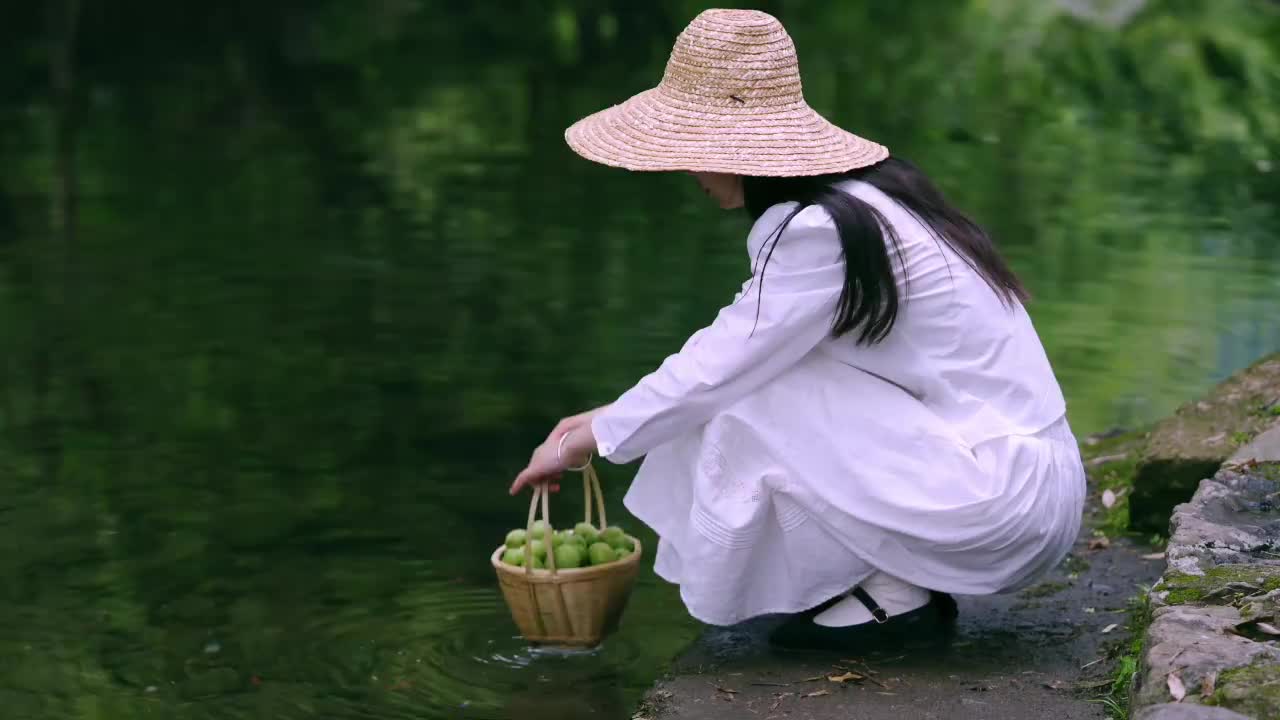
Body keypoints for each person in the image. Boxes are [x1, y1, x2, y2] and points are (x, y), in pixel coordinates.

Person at [509, 9, 1085, 650]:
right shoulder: (864, 199)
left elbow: (722, 365)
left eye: (691, 150)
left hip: (1002, 503)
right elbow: (734, 345)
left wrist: (590, 437)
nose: (686, 171)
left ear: (737, 149)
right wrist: (609, 417)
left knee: (745, 397)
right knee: (743, 385)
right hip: (1011, 479)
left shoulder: (820, 231)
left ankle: (893, 600)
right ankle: (887, 584)